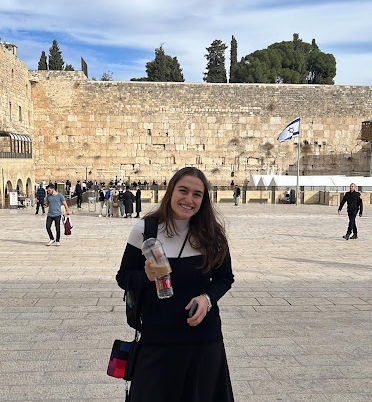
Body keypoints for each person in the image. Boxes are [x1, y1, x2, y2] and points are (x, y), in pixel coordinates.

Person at [116, 167, 235, 402]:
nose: (189, 199)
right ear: (171, 191)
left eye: (197, 194)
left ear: (204, 199)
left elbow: (225, 278)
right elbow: (124, 277)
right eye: (183, 190)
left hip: (203, 340)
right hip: (157, 339)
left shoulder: (212, 235)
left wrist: (207, 299)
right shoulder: (145, 230)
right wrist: (146, 276)